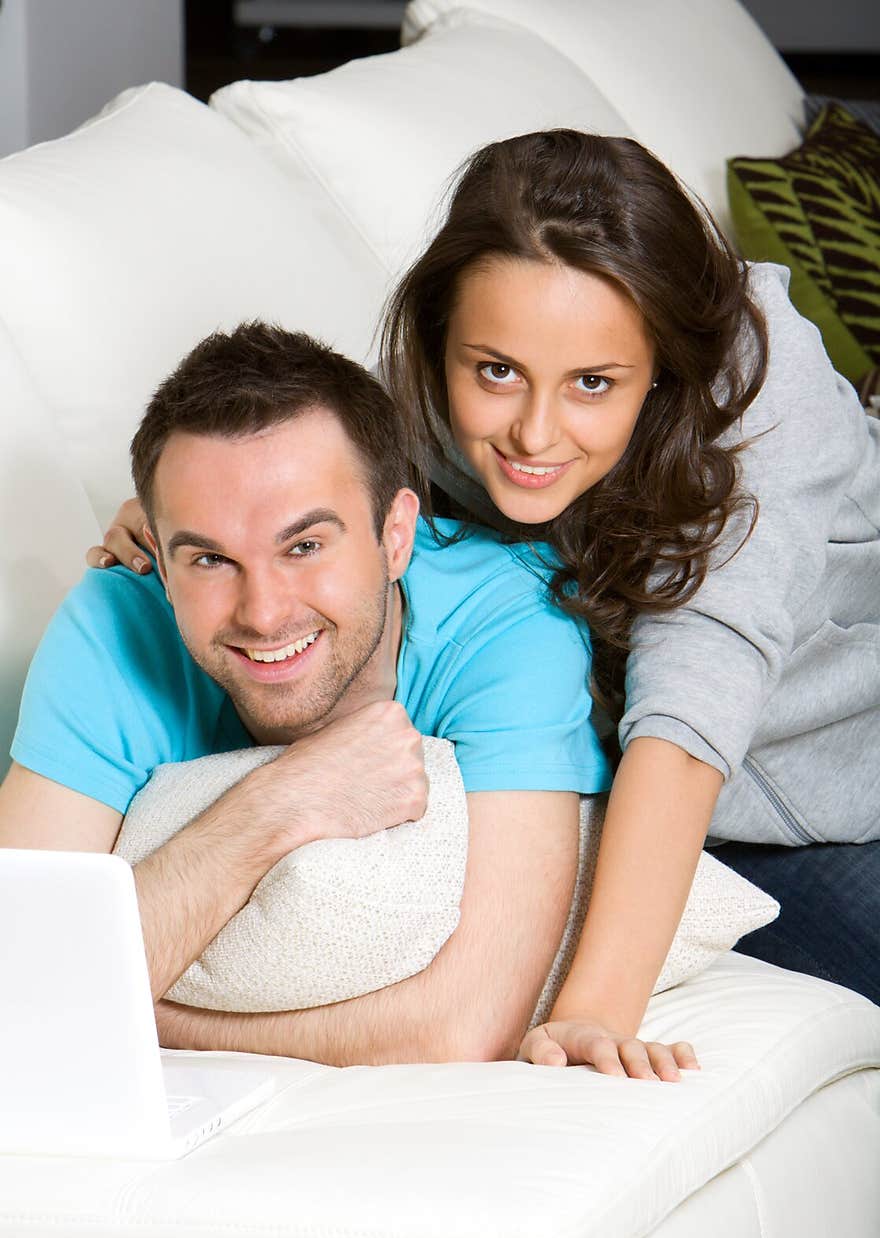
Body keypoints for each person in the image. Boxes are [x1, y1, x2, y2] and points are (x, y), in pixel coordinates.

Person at [92, 130, 880, 1063]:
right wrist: (192, 516)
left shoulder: (760, 397)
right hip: (596, 775)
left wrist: (593, 1012)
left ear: (661, 366)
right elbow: (319, 484)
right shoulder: (421, 406)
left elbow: (690, 711)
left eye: (593, 384)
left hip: (818, 794)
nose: (533, 435)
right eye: (496, 371)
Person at [0, 322, 698, 1078]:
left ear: (396, 536)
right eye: (209, 559)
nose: (263, 613)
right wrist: (277, 803)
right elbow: (19, 983)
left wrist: (145, 1012)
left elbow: (468, 1026)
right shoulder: (112, 622)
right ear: (161, 566)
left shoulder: (511, 618)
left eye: (304, 546)